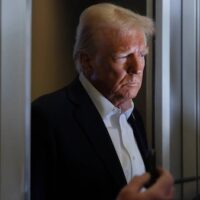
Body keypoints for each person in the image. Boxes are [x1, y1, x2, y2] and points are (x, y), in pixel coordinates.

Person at [31, 3, 174, 200]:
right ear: (87, 62)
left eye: (142, 54)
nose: (137, 67)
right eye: (124, 56)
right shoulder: (46, 119)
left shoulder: (134, 117)